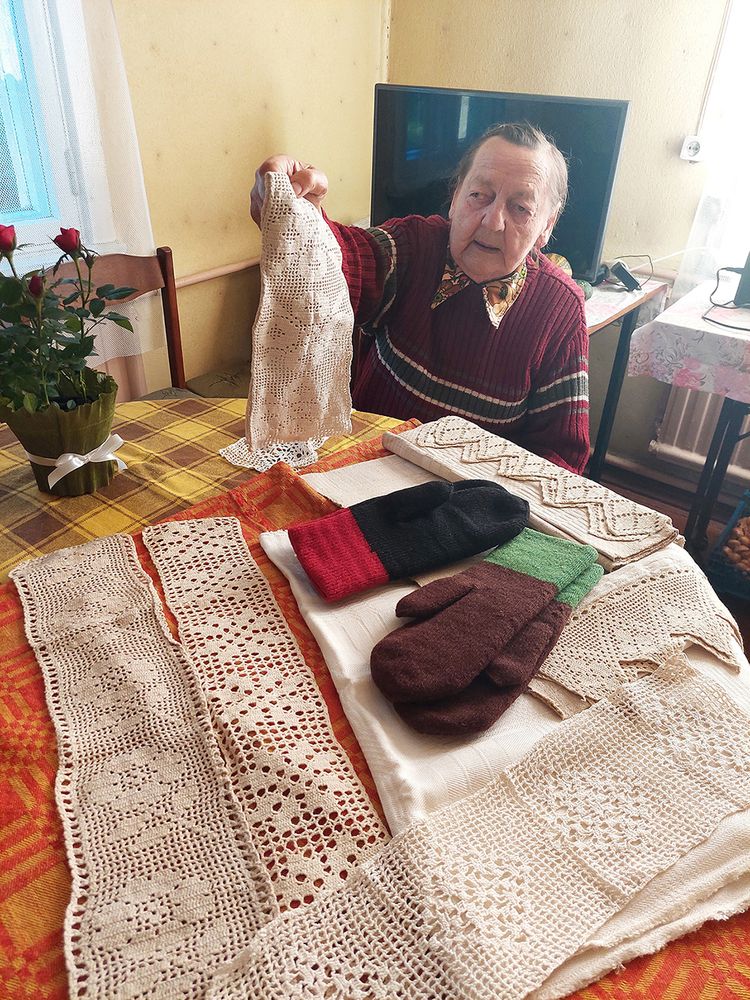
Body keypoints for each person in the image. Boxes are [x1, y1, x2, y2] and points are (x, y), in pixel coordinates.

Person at [250, 123, 589, 474]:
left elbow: (560, 456)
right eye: (479, 195)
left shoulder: (560, 308)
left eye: (520, 208)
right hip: (363, 470)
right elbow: (337, 262)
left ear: (546, 225)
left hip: (469, 497)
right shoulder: (413, 246)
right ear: (455, 198)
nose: (493, 222)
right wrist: (295, 211)